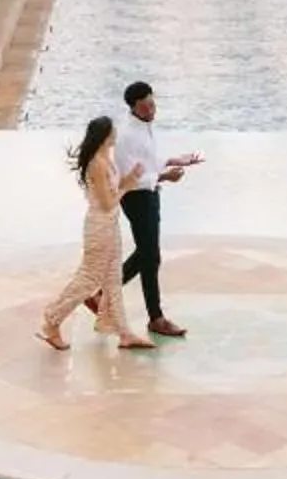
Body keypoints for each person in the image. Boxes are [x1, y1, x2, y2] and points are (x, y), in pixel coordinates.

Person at [38, 115, 153, 351]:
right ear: (105, 135)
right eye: (113, 131)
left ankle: (125, 333)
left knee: (113, 280)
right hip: (99, 227)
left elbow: (112, 194)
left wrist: (130, 179)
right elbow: (108, 202)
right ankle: (51, 321)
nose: (116, 134)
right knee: (89, 278)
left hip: (110, 226)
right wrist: (129, 183)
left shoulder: (105, 159)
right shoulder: (97, 164)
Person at [113, 79, 199, 338]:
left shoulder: (144, 127)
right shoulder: (126, 135)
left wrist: (174, 160)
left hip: (149, 194)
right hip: (136, 197)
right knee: (150, 257)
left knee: (147, 254)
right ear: (133, 107)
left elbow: (148, 160)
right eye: (145, 107)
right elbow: (129, 176)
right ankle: (156, 318)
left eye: (152, 104)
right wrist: (165, 177)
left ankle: (104, 293)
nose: (152, 110)